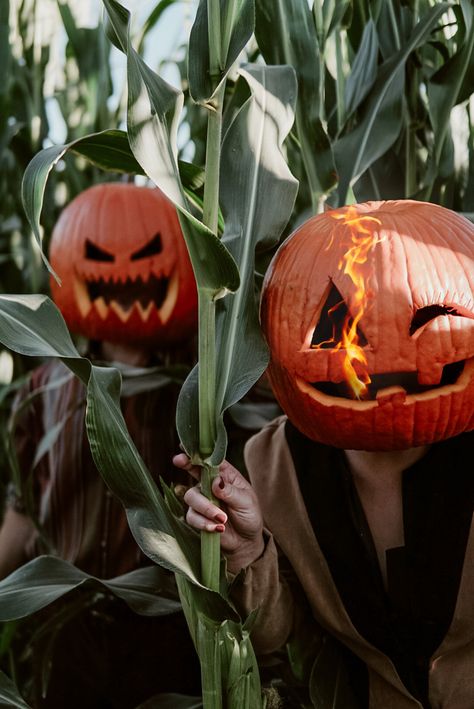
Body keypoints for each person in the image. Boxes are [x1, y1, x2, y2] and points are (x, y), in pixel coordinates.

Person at [175, 201, 474, 709]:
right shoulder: (273, 465)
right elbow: (280, 636)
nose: (377, 353)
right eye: (337, 326)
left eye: (433, 318)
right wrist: (247, 552)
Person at [0, 182, 202, 708]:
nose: (126, 271)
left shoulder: (198, 393)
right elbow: (21, 524)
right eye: (97, 254)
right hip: (62, 617)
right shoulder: (41, 391)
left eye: (147, 254)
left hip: (165, 623)